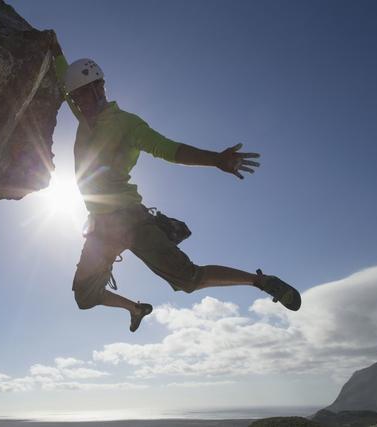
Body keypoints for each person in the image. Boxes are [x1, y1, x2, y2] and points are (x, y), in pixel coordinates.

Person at [49, 36, 301, 332]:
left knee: (189, 280)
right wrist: (54, 48)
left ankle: (261, 281)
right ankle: (136, 308)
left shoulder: (127, 124)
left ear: (99, 88)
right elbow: (64, 74)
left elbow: (169, 149)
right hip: (101, 227)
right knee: (84, 296)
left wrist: (216, 159)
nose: (80, 104)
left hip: (131, 219)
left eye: (84, 96)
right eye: (76, 99)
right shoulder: (84, 116)